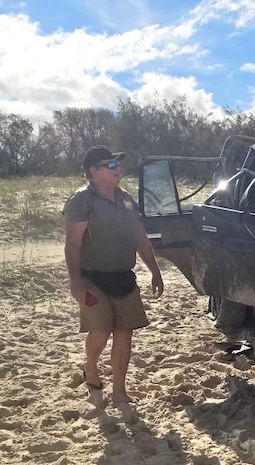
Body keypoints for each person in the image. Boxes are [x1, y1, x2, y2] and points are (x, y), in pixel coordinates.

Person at [63, 145, 164, 406]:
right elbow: (72, 243)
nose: (117, 169)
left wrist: (154, 270)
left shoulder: (128, 199)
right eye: (110, 165)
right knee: (101, 329)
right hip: (93, 279)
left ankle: (120, 392)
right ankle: (91, 367)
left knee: (124, 333)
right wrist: (75, 281)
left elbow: (141, 237)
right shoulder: (81, 200)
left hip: (124, 277)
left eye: (117, 164)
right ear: (93, 171)